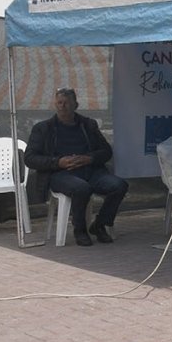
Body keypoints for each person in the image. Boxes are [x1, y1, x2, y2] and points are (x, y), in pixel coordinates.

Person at [24, 88, 130, 247]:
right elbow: (30, 158)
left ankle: (99, 224)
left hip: (90, 171)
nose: (62, 106)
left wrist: (89, 158)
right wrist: (58, 162)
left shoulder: (88, 125)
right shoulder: (43, 128)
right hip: (60, 174)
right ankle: (80, 230)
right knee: (81, 188)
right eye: (59, 102)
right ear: (55, 104)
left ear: (76, 105)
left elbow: (106, 151)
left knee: (119, 185)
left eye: (67, 103)